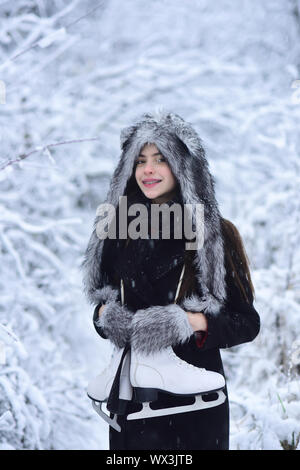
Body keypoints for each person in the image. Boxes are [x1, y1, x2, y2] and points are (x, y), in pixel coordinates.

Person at [81, 109, 260, 450]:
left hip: (193, 408)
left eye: (160, 159)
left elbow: (246, 323)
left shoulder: (215, 235)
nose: (148, 170)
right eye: (140, 160)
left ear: (183, 168)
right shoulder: (116, 234)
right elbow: (103, 304)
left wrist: (187, 321)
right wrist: (105, 317)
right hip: (131, 405)